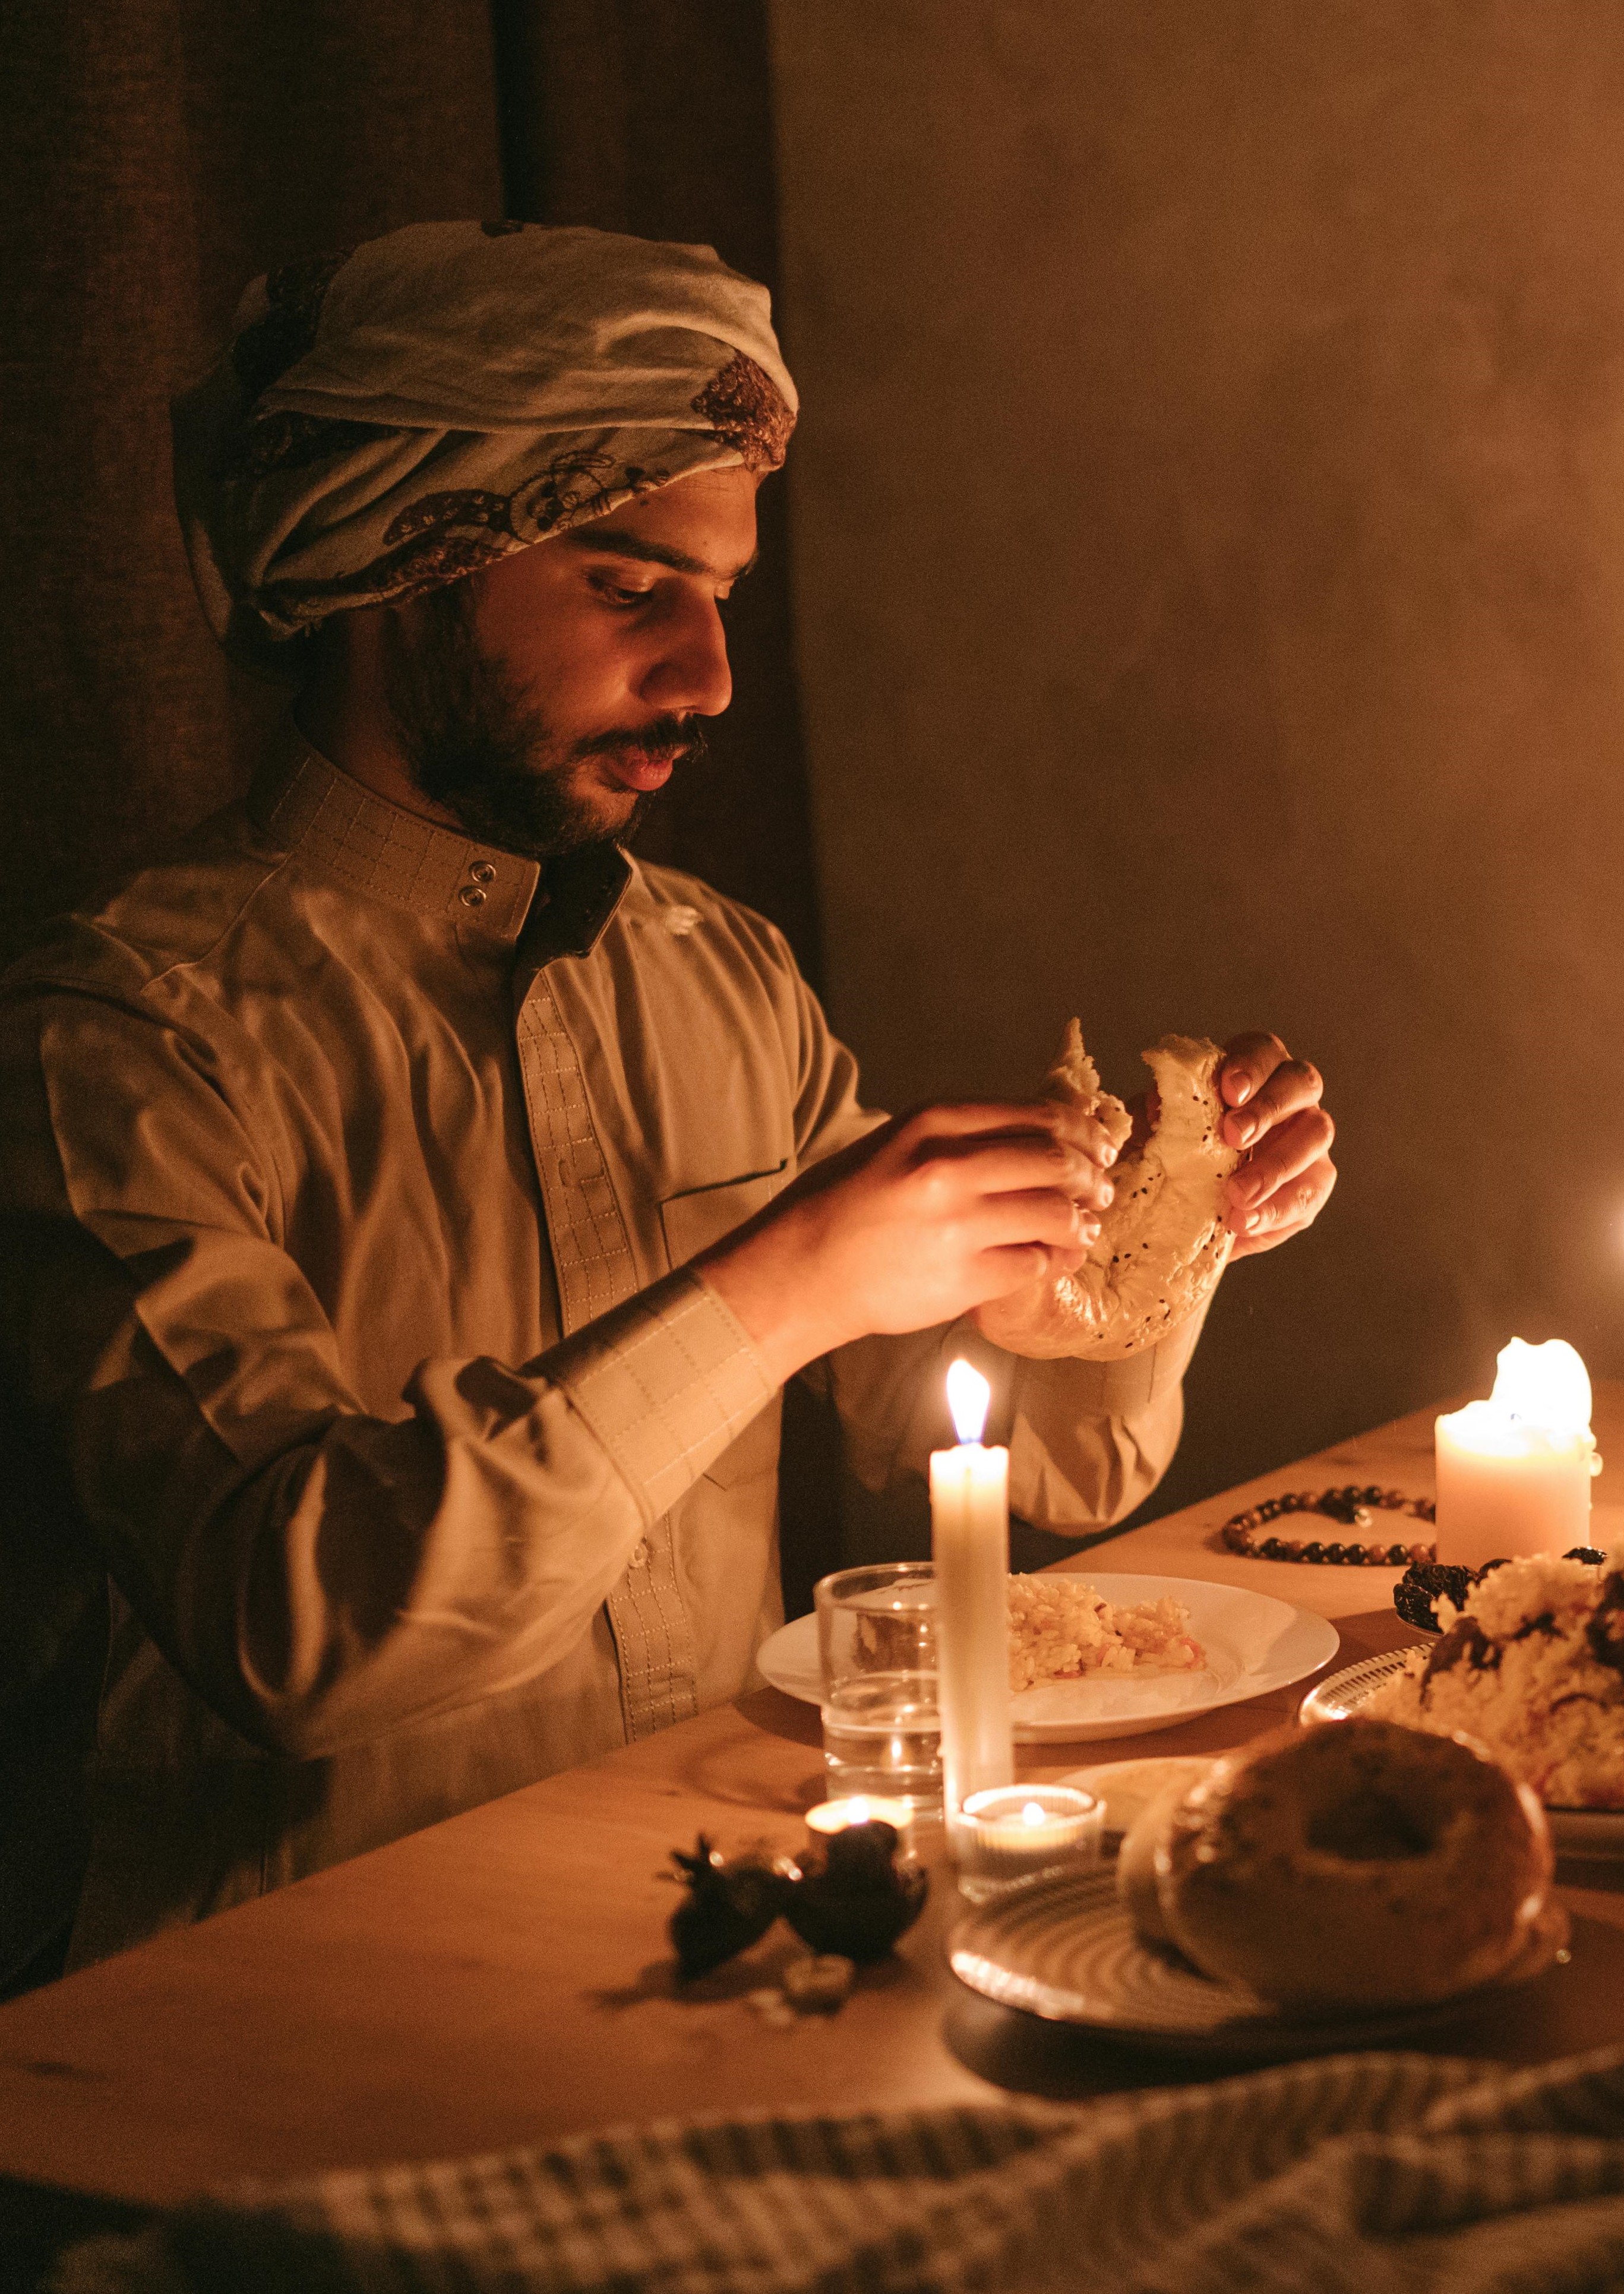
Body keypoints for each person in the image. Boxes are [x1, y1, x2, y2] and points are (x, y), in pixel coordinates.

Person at [0, 222, 1337, 1983]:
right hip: (276, 2020)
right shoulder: (118, 1035)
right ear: (404, 561)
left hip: (713, 1944)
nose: (704, 677)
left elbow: (1056, 1475)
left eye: (722, 602)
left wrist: (1163, 1223)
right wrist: (780, 1282)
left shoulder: (721, 973)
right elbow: (301, 1636)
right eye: (631, 587)